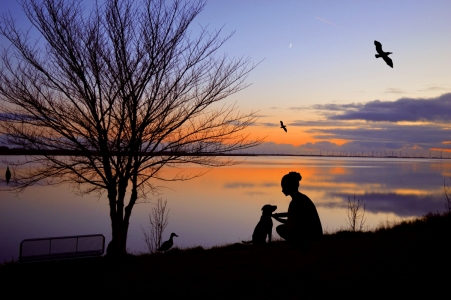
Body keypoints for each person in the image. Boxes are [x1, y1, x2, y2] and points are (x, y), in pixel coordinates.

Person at [272, 171, 323, 246]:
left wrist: (277, 219)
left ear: (290, 186)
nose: (282, 190)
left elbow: (291, 222)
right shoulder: (301, 198)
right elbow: (292, 214)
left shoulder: (297, 201)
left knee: (280, 228)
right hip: (314, 233)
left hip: (311, 235)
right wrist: (278, 215)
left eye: (284, 187)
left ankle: (298, 243)